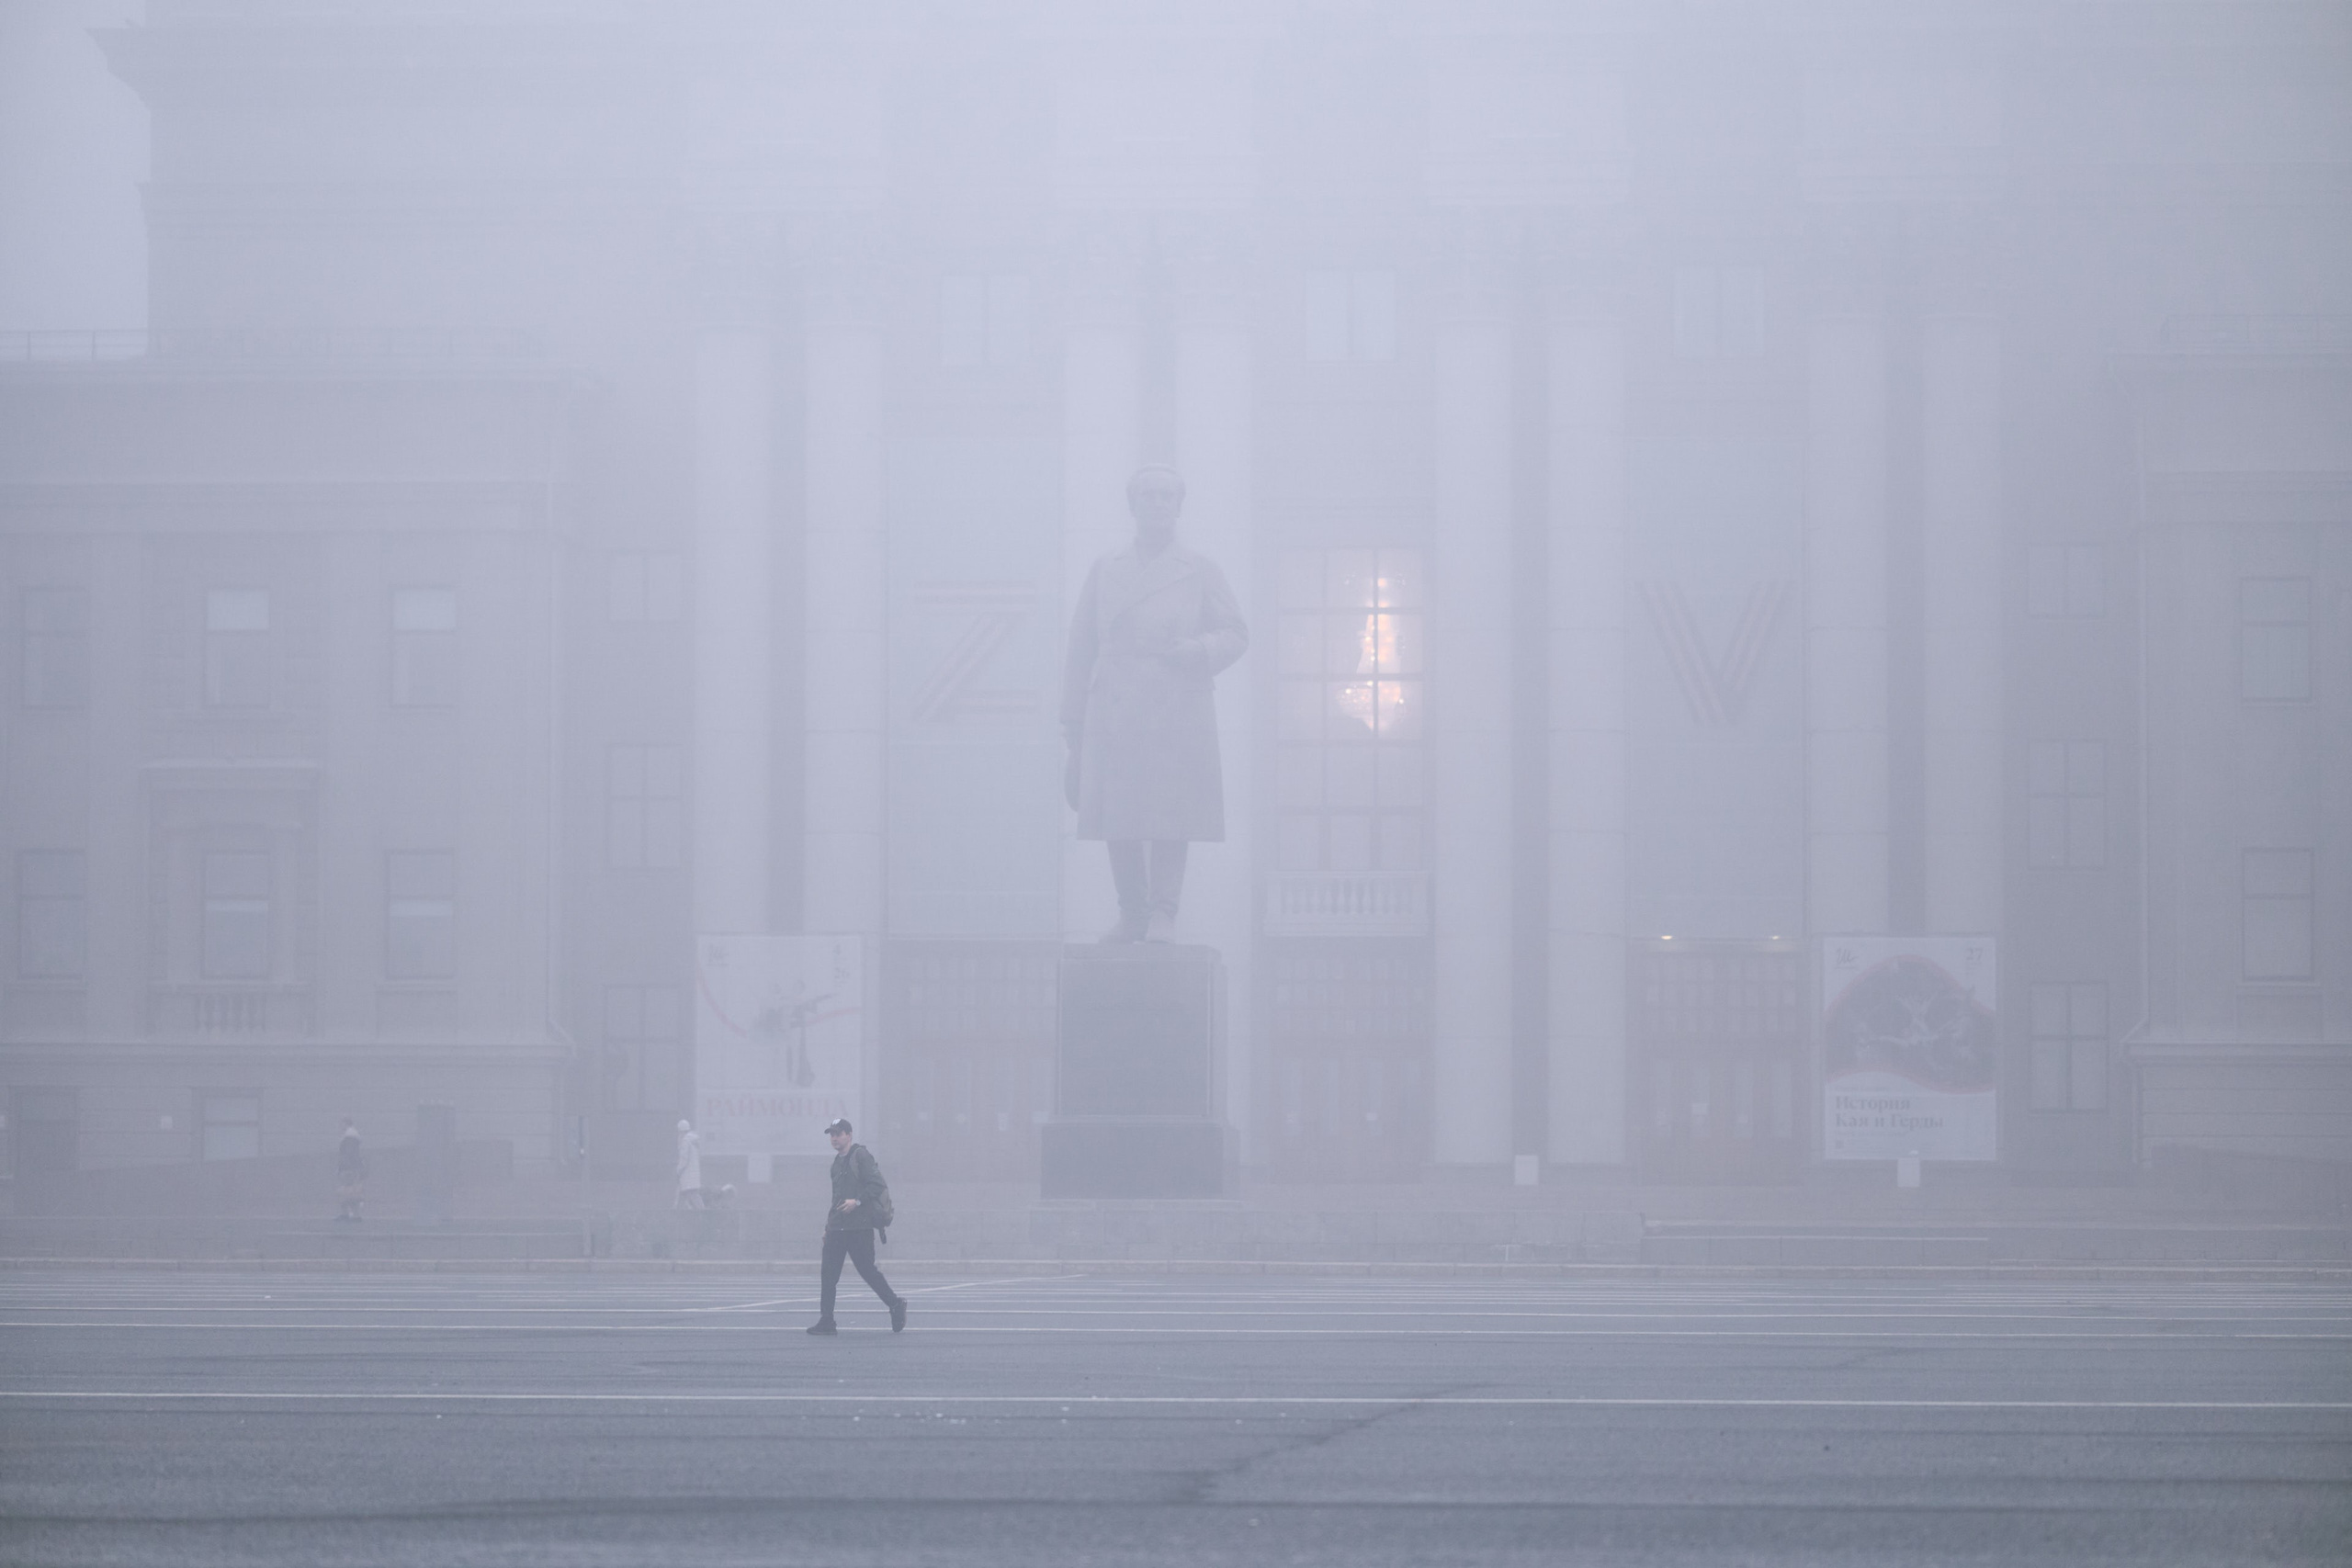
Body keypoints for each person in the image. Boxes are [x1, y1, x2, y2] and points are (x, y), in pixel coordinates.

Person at [1060, 464, 1249, 942]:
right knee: (1116, 815)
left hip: (1175, 703)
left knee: (1170, 811)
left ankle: (1164, 910)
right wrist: (1074, 724)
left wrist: (1199, 651)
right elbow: (1081, 645)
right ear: (1133, 504)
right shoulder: (1106, 569)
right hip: (1114, 704)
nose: (1158, 503)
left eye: (1167, 496)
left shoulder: (1200, 570)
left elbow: (1236, 633)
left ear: (1179, 506)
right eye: (1149, 495)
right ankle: (1133, 912)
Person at [808, 1118, 905, 1335]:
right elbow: (836, 1198)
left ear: (849, 1135)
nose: (834, 1138)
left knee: (867, 1271)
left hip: (859, 1227)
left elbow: (878, 1184)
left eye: (838, 1134)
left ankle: (895, 1304)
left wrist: (857, 1201)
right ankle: (827, 1321)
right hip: (837, 1228)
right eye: (831, 1134)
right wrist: (827, 1226)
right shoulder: (836, 1163)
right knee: (828, 1274)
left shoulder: (861, 1156)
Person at [334, 1119, 367, 1223]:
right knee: (350, 1191)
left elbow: (348, 1155)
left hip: (348, 1168)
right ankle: (352, 1214)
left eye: (342, 1123)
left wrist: (343, 1167)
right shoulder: (352, 1137)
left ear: (346, 1124)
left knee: (348, 1191)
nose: (340, 1126)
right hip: (351, 1168)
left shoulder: (349, 1138)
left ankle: (350, 1214)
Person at [673, 1118, 704, 1210]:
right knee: (686, 1195)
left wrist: (678, 1170)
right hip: (694, 1174)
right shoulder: (694, 1142)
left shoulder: (685, 1141)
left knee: (691, 1195)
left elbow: (684, 1159)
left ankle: (704, 1213)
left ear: (681, 1131)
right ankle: (677, 1212)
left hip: (687, 1175)